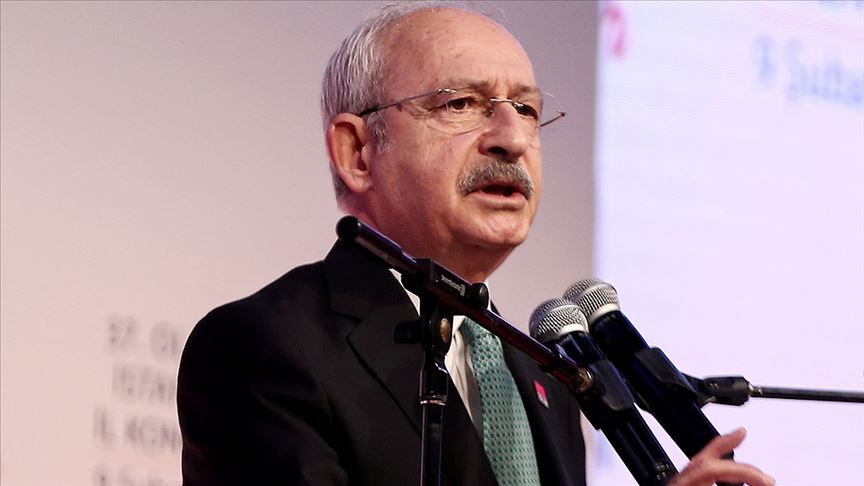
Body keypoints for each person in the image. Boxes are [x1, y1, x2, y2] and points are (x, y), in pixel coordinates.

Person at [177, 3, 775, 485]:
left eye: (527, 109)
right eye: (460, 103)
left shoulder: (547, 377)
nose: (512, 139)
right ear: (357, 152)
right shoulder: (265, 346)